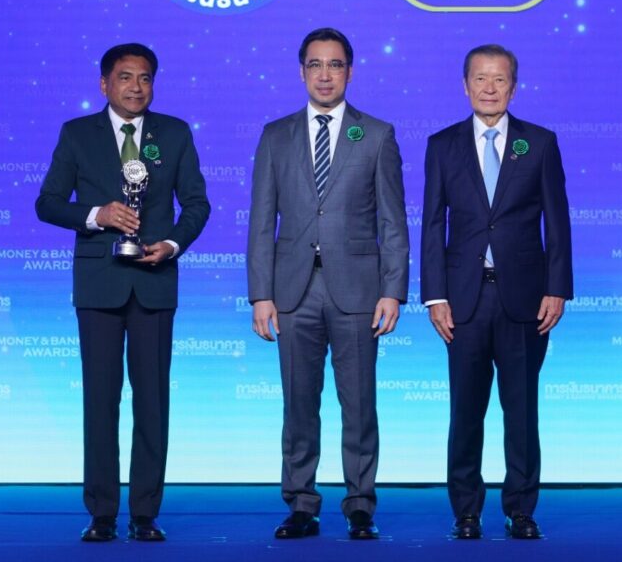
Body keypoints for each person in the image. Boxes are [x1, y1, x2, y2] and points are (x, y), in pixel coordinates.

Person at [36, 43, 210, 543]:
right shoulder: (77, 134)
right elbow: (47, 203)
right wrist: (97, 214)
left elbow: (197, 204)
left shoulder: (173, 133)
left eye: (145, 78)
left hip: (154, 282)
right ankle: (102, 513)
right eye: (126, 77)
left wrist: (172, 244)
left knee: (152, 403)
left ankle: (145, 513)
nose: (136, 87)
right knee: (100, 402)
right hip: (99, 285)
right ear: (104, 84)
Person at [246, 27, 409, 541]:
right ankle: (301, 503)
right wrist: (261, 294)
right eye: (315, 65)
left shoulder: (376, 134)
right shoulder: (276, 135)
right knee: (299, 404)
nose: (324, 75)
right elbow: (261, 222)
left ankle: (360, 504)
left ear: (350, 72)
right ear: (301, 72)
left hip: (359, 291)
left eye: (334, 65)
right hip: (292, 292)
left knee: (359, 404)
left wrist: (393, 290)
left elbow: (393, 221)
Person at [420, 44, 573, 541]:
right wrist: (435, 296)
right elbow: (432, 225)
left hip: (525, 301)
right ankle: (466, 511)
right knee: (465, 412)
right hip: (463, 301)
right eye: (480, 79)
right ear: (465, 85)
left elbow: (557, 222)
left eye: (500, 79)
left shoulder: (539, 143)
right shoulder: (442, 145)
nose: (489, 88)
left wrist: (557, 288)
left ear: (514, 87)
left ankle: (521, 509)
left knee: (521, 410)